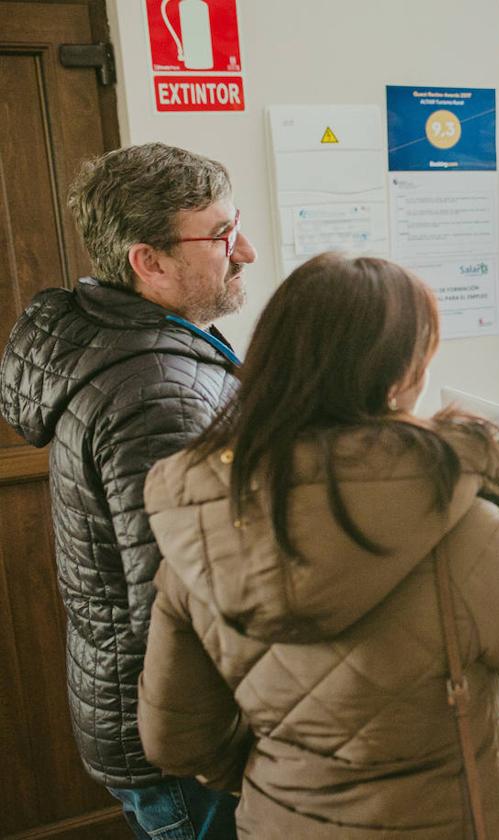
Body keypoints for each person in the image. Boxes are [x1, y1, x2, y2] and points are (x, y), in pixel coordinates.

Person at [136, 252, 499, 838]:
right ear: (401, 378)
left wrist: (289, 777)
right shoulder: (452, 525)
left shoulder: (202, 523)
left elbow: (175, 736)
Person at [0, 142, 256, 837]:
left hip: (147, 716)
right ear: (150, 262)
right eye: (223, 235)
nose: (247, 251)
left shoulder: (130, 342)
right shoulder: (156, 394)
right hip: (185, 743)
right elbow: (180, 601)